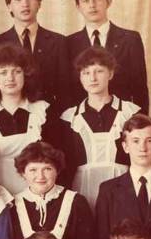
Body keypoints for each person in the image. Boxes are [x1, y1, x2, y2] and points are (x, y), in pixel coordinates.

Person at [60, 46, 140, 209]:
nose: (93, 78)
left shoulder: (131, 112)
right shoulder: (69, 118)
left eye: (99, 71)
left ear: (110, 74)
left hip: (124, 187)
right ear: (80, 77)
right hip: (83, 188)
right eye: (86, 73)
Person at [0, 43, 56, 195]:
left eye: (16, 72)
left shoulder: (43, 111)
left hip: (36, 193)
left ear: (26, 75)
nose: (10, 78)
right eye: (3, 72)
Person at [11, 141, 97, 239]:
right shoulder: (13, 206)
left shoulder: (76, 202)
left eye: (47, 169)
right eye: (33, 170)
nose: (40, 176)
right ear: (23, 173)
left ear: (57, 171)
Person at [67, 0, 149, 113]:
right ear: (78, 6)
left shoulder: (130, 40)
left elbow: (140, 88)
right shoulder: (69, 43)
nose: (92, 5)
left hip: (123, 117)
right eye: (86, 1)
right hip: (83, 119)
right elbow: (67, 90)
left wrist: (140, 122)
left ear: (109, 2)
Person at [0, 0, 69, 112]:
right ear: (9, 6)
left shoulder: (58, 42)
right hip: (9, 115)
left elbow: (65, 88)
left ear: (39, 4)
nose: (25, 4)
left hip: (50, 114)